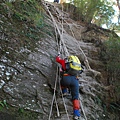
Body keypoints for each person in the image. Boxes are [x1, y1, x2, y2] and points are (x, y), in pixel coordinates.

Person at [56, 54, 83, 120]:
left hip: (66, 78)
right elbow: (81, 71)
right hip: (75, 81)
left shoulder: (64, 62)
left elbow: (57, 60)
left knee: (62, 83)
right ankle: (76, 114)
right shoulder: (76, 66)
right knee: (75, 97)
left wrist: (58, 56)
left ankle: (64, 91)